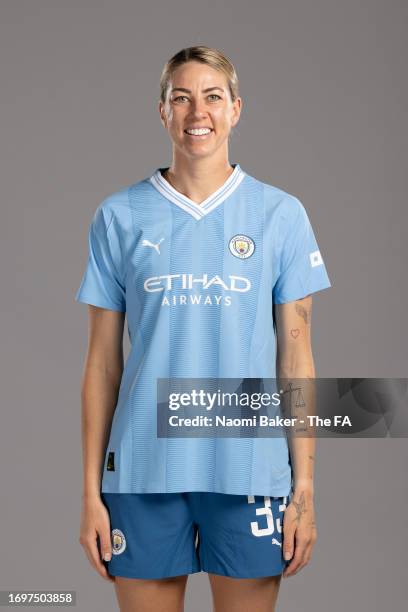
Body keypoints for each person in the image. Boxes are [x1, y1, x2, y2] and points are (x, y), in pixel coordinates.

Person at [75, 45, 332, 612]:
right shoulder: (120, 216)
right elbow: (102, 364)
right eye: (181, 97)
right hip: (142, 472)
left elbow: (296, 360)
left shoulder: (279, 215)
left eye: (212, 97)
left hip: (250, 469)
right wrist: (90, 492)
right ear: (162, 111)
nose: (198, 112)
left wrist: (305, 488)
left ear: (236, 109)